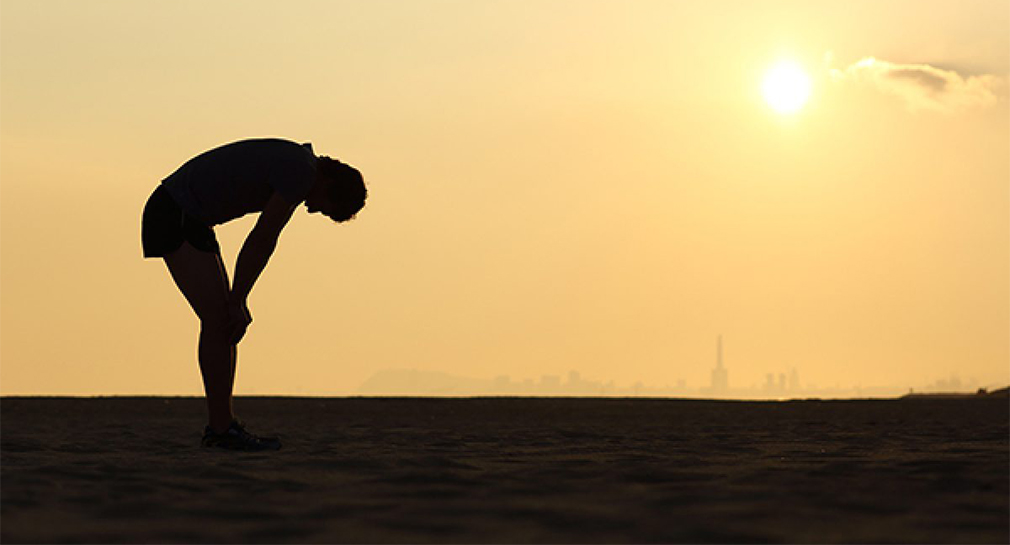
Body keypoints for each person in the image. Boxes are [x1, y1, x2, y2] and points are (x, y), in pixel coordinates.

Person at [141, 138, 366, 451]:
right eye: (325, 208)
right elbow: (262, 239)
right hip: (173, 213)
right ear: (329, 183)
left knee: (223, 323)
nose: (313, 210)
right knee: (219, 320)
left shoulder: (300, 166)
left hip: (189, 218)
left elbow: (263, 240)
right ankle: (220, 430)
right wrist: (238, 300)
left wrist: (238, 299)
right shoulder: (301, 172)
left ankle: (223, 426)